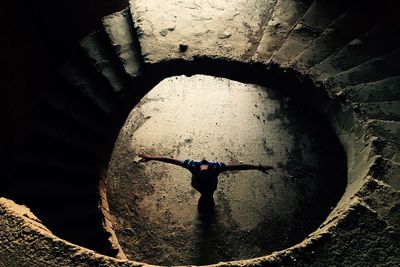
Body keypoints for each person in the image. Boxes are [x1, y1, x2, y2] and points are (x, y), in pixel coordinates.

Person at [138, 154, 274, 212]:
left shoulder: (195, 166)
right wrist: (257, 167)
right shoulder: (214, 168)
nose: (203, 167)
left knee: (207, 195)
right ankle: (206, 200)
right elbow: (239, 166)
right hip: (204, 187)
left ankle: (206, 200)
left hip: (203, 187)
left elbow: (171, 160)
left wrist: (258, 167)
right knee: (207, 195)